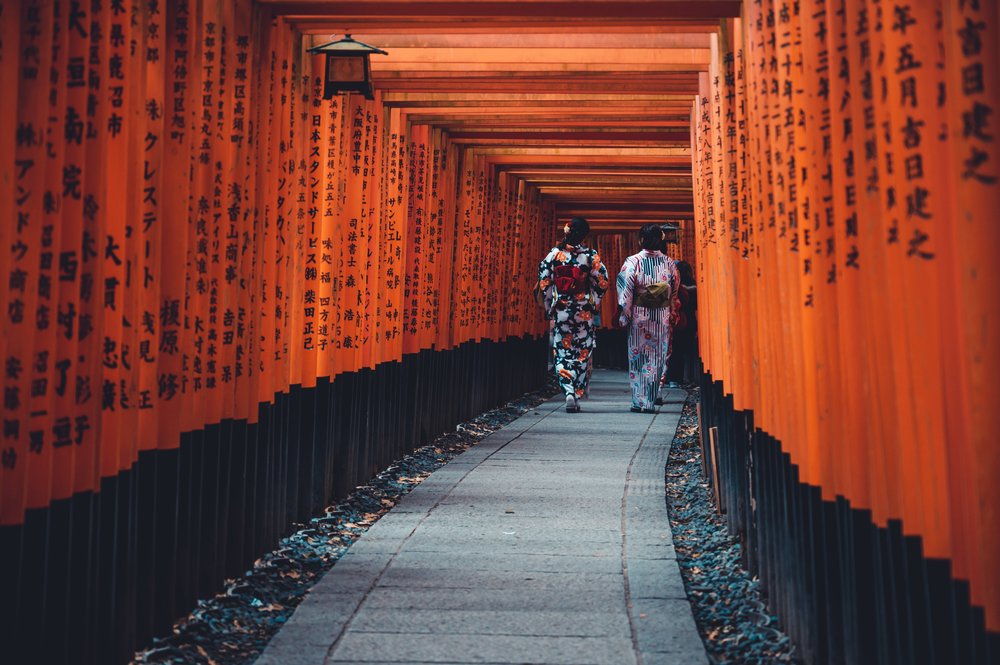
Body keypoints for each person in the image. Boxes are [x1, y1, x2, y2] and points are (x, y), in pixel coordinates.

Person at [538, 217, 610, 413]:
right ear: (585, 235)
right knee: (582, 352)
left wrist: (548, 305)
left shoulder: (554, 255)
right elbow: (603, 282)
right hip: (583, 312)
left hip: (561, 310)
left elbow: (544, 283)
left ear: (567, 230)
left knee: (562, 350)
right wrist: (593, 299)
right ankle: (577, 392)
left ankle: (568, 391)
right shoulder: (589, 256)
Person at [617, 224, 680, 413]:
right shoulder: (669, 263)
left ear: (640, 240)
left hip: (639, 314)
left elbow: (625, 288)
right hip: (661, 315)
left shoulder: (632, 261)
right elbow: (674, 289)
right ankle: (650, 401)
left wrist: (625, 313)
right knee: (657, 358)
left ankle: (638, 401)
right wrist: (671, 306)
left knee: (637, 357)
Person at [665, 260, 697, 387]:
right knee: (685, 352)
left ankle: (672, 378)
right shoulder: (694, 287)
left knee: (674, 352)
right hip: (689, 321)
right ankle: (686, 378)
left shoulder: (675, 287)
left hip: (676, 322)